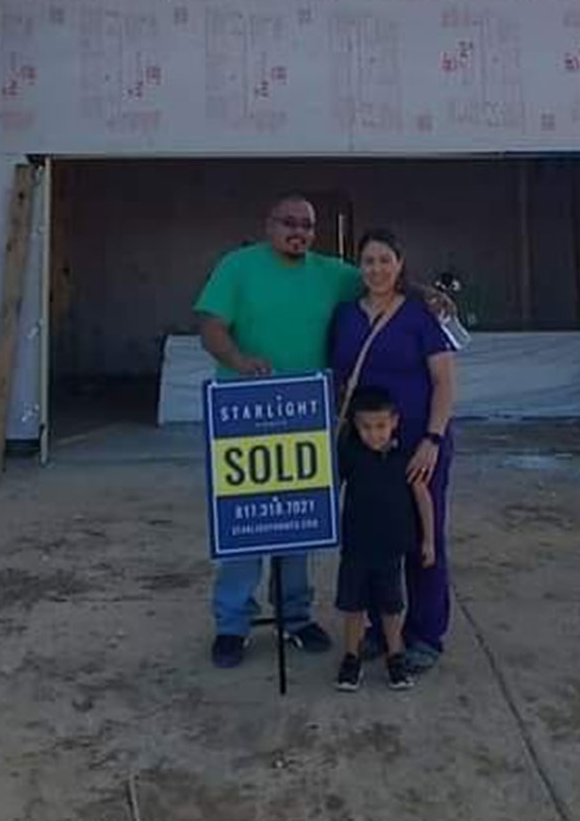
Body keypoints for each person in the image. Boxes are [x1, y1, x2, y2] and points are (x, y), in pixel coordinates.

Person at [195, 194, 361, 668]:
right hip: (244, 415)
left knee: (298, 521)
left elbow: (382, 279)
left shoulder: (331, 273)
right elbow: (211, 326)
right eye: (289, 222)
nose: (298, 232)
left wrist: (427, 295)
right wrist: (239, 360)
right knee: (243, 522)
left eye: (307, 225)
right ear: (269, 225)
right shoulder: (238, 267)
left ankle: (295, 615)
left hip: (306, 415)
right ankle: (232, 623)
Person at [329, 229, 456, 673]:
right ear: (358, 267)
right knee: (370, 537)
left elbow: (444, 382)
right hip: (365, 447)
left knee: (423, 537)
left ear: (400, 264)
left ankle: (425, 633)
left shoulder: (421, 315)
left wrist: (433, 439)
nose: (377, 269)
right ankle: (379, 631)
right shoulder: (345, 316)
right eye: (369, 261)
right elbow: (336, 378)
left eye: (385, 260)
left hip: (418, 441)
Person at [335, 386, 435, 692]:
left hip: (392, 548)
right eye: (366, 427)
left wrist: (428, 540)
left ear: (394, 422)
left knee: (391, 607)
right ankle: (351, 659)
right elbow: (328, 486)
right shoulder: (349, 455)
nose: (374, 434)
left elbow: (423, 497)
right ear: (355, 425)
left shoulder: (406, 458)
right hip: (355, 546)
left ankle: (396, 658)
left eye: (380, 426)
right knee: (353, 606)